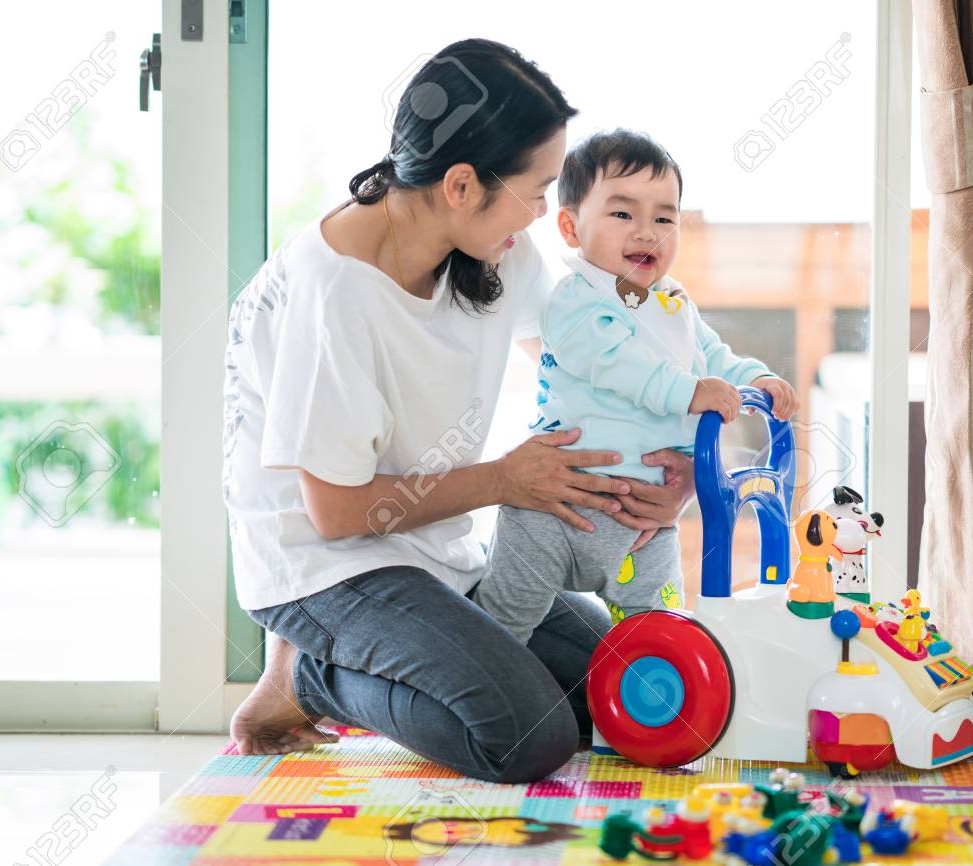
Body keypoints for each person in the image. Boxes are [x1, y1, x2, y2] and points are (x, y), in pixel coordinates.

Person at [221, 39, 693, 783]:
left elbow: (578, 363)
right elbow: (337, 514)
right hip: (325, 567)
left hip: (434, 545)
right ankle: (311, 674)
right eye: (537, 190)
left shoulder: (496, 247)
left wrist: (665, 465)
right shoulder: (335, 292)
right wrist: (507, 481)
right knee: (528, 739)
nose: (544, 213)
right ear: (463, 184)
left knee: (612, 688)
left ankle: (379, 660)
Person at [473, 130, 798, 641]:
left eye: (664, 218)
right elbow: (620, 363)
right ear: (571, 227)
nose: (648, 232)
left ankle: (653, 716)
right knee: (505, 626)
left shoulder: (671, 303)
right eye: (623, 214)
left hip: (644, 523)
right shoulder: (574, 301)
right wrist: (693, 392)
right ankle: (488, 690)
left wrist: (753, 377)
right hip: (554, 510)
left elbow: (712, 355)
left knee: (660, 637)